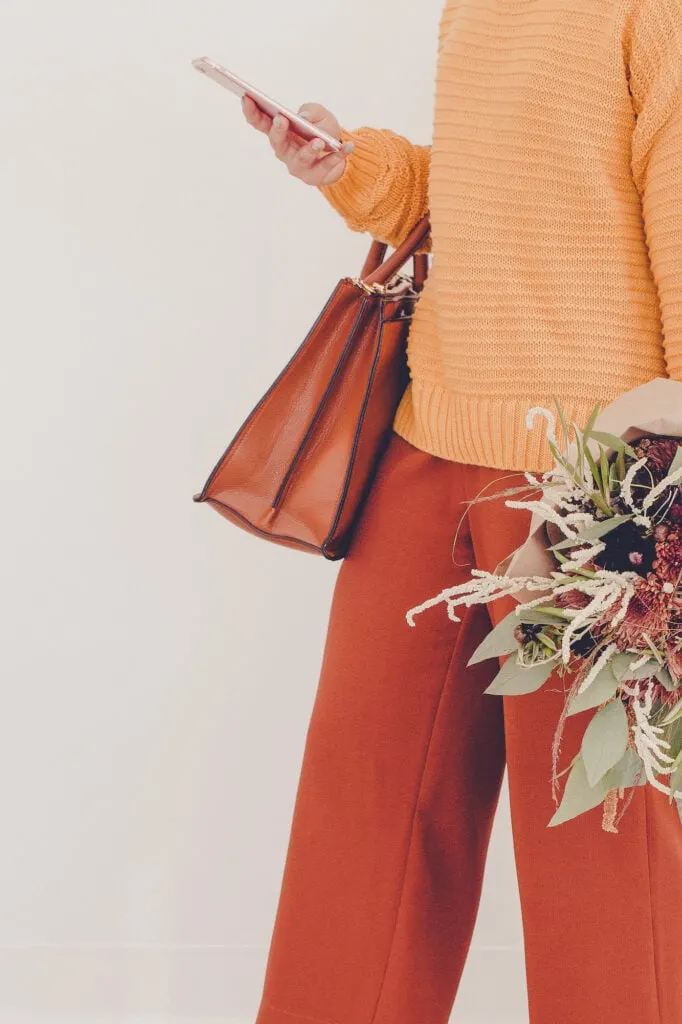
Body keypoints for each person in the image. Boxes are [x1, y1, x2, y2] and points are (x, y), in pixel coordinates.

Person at [240, 2, 682, 1022]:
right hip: (424, 441)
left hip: (596, 477)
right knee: (364, 822)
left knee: (605, 863)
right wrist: (353, 167)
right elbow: (495, 199)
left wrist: (652, 510)